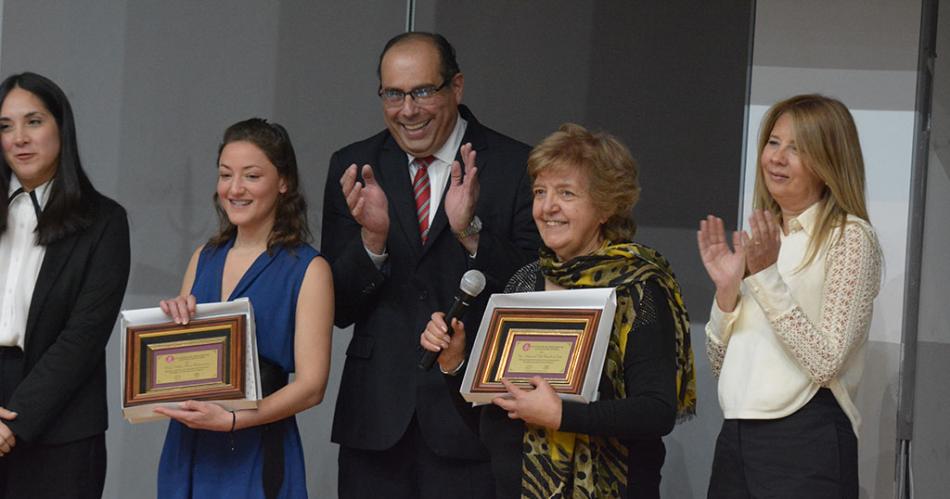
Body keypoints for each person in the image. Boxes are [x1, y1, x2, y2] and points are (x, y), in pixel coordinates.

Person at [421, 123, 697, 498]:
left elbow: (656, 412)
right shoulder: (525, 281)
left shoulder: (638, 288)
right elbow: (488, 422)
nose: (547, 207)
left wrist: (561, 416)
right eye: (539, 192)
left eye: (566, 193)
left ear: (606, 205)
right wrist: (455, 366)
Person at [321, 32, 539, 498]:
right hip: (375, 421)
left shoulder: (515, 164)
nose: (408, 110)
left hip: (473, 420)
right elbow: (336, 307)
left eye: (422, 91)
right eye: (393, 94)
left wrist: (471, 231)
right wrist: (372, 240)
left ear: (456, 87)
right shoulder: (355, 165)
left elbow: (532, 290)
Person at [697, 94, 883, 498]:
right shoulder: (763, 239)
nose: (777, 158)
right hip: (735, 437)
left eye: (797, 148)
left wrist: (765, 276)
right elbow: (719, 366)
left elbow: (826, 361)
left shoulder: (850, 237)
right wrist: (726, 293)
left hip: (806, 438)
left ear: (829, 160)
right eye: (773, 142)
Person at [156, 118, 333, 498]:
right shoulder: (203, 256)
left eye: (251, 176)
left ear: (283, 182)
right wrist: (168, 326)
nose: (234, 189)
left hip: (257, 445)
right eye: (225, 175)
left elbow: (312, 387)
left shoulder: (308, 269)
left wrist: (234, 420)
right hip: (188, 443)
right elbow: (174, 370)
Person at [0, 72, 130, 498]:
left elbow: (84, 337)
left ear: (61, 128)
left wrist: (13, 418)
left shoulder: (104, 221)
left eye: (33, 121)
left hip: (64, 423)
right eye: (5, 126)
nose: (19, 138)